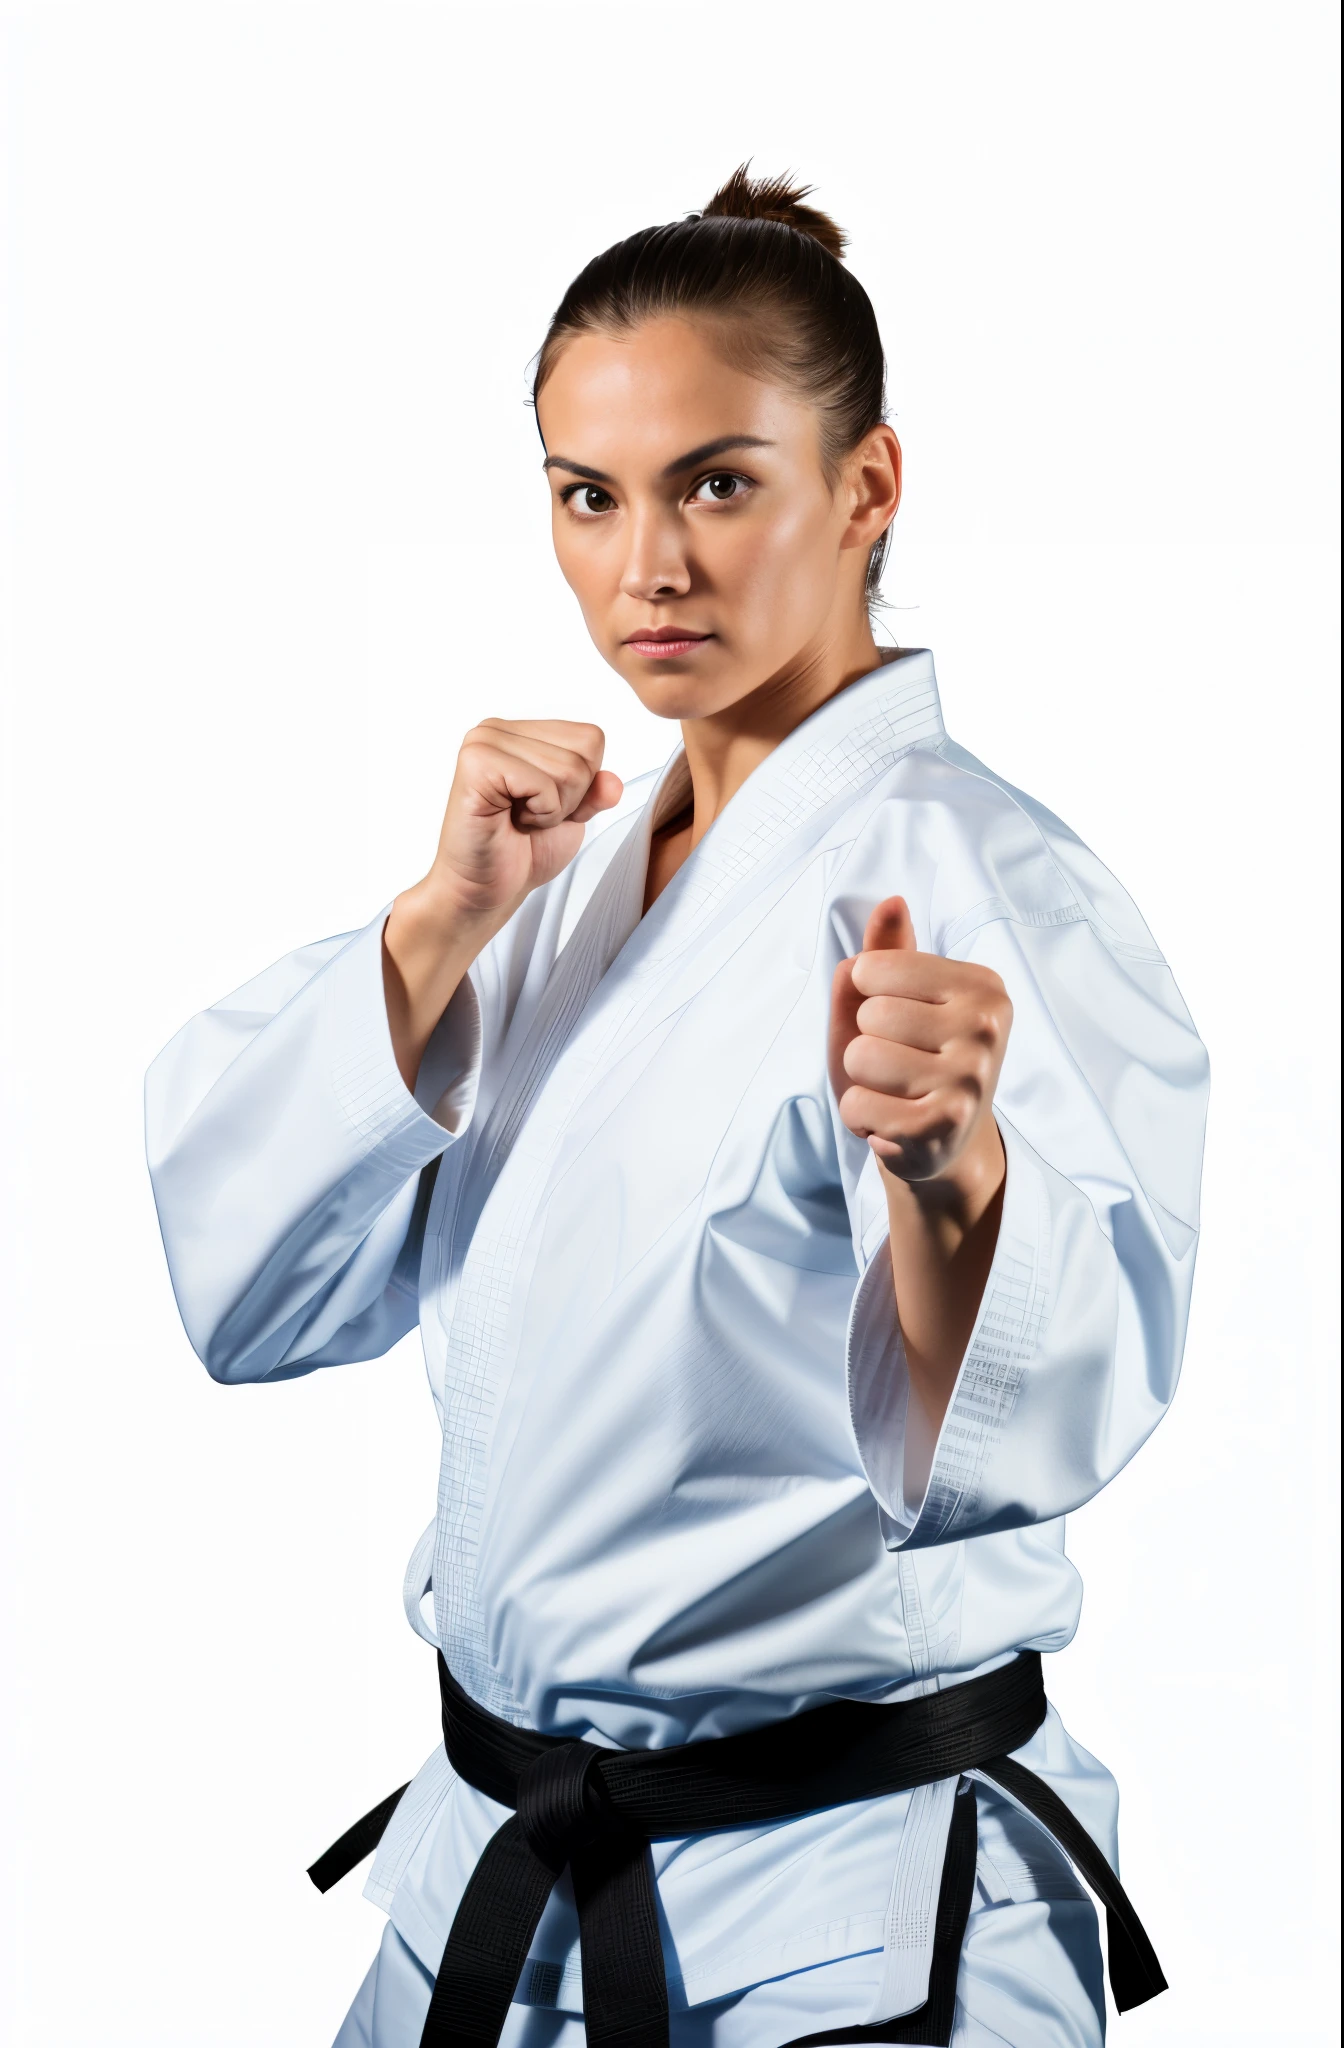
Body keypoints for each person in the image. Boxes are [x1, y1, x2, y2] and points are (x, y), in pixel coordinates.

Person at [145, 169, 1210, 2048]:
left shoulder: (983, 885)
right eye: (590, 494)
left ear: (866, 489)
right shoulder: (564, 882)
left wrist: (957, 1181)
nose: (648, 566)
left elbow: (1047, 1429)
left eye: (717, 482)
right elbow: (247, 1298)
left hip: (837, 1919)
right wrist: (437, 921)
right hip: (496, 1871)